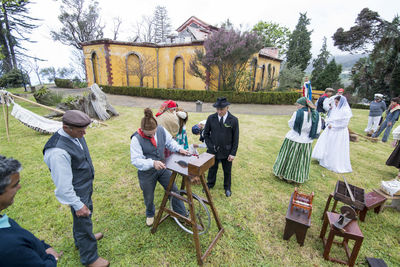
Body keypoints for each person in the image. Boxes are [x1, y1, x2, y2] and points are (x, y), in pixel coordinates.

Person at [43, 110, 109, 267]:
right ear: (66, 128)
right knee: (83, 219)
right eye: (81, 131)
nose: (84, 133)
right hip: (76, 191)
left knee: (83, 220)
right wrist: (77, 204)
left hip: (84, 186)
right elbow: (63, 186)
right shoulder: (57, 152)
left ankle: (82, 240)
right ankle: (90, 258)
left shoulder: (74, 134)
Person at [130, 108, 190, 226]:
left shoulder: (161, 130)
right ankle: (150, 213)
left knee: (173, 189)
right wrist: (152, 163)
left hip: (162, 168)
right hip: (146, 173)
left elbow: (170, 143)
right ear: (142, 130)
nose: (152, 135)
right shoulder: (136, 139)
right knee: (148, 196)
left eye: (154, 132)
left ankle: (181, 213)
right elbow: (136, 160)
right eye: (149, 134)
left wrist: (179, 148)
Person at [0, 155, 62, 266]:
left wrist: (44, 247)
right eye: (14, 185)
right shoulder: (9, 247)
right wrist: (52, 258)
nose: (19, 187)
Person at [273, 97, 321, 183]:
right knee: (300, 160)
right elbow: (317, 129)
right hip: (306, 140)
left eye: (298, 105)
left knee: (288, 157)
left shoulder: (297, 113)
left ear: (302, 105)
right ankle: (295, 177)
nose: (297, 106)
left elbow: (291, 124)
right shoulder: (316, 115)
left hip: (294, 138)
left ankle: (283, 174)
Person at [203, 97, 239, 197]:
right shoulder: (211, 118)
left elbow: (236, 139)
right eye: (217, 109)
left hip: (227, 152)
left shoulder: (234, 120)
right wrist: (211, 147)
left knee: (227, 170)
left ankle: (227, 187)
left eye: (221, 109)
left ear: (227, 107)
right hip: (213, 151)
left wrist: (233, 153)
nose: (219, 111)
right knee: (212, 169)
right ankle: (210, 184)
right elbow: (206, 134)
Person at [312, 95, 353, 173]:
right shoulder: (335, 109)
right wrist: (328, 122)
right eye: (335, 102)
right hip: (330, 130)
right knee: (327, 144)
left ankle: (332, 162)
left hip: (338, 132)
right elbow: (331, 118)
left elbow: (344, 124)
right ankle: (324, 159)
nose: (336, 104)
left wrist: (334, 126)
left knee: (335, 146)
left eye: (337, 102)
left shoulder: (345, 111)